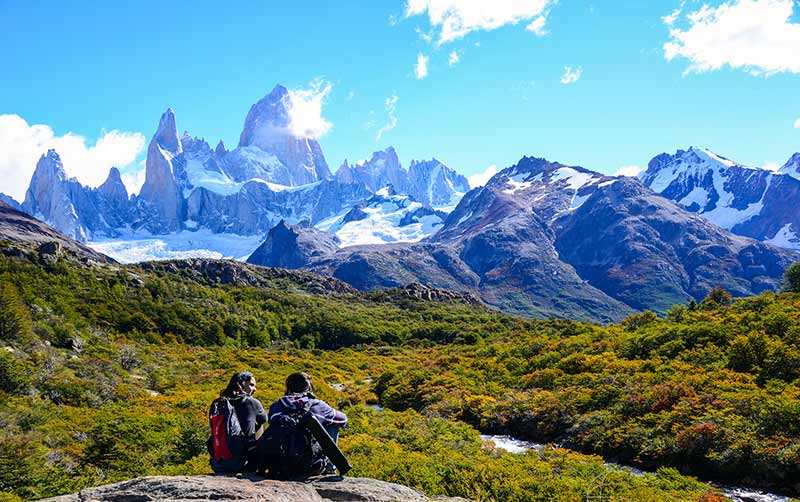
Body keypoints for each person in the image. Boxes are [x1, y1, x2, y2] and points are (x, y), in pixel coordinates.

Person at [261, 371, 347, 477]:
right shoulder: (317, 405)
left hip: (279, 466)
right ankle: (330, 469)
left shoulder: (276, 406)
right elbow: (343, 419)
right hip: (311, 467)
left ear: (287, 387)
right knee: (332, 425)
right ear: (308, 387)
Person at [208, 370, 267, 472]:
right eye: (252, 385)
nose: (255, 389)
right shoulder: (252, 402)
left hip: (218, 463)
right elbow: (264, 419)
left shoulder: (218, 403)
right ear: (242, 385)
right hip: (243, 464)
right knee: (260, 424)